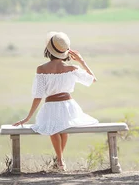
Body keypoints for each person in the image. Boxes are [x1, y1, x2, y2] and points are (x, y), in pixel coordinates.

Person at [13, 31, 98, 171]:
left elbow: (38, 95)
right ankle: (60, 161)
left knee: (54, 127)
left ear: (48, 50)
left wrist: (28, 117)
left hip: (51, 106)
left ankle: (59, 161)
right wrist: (82, 61)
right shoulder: (72, 68)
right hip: (69, 107)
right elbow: (93, 79)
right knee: (62, 129)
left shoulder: (41, 69)